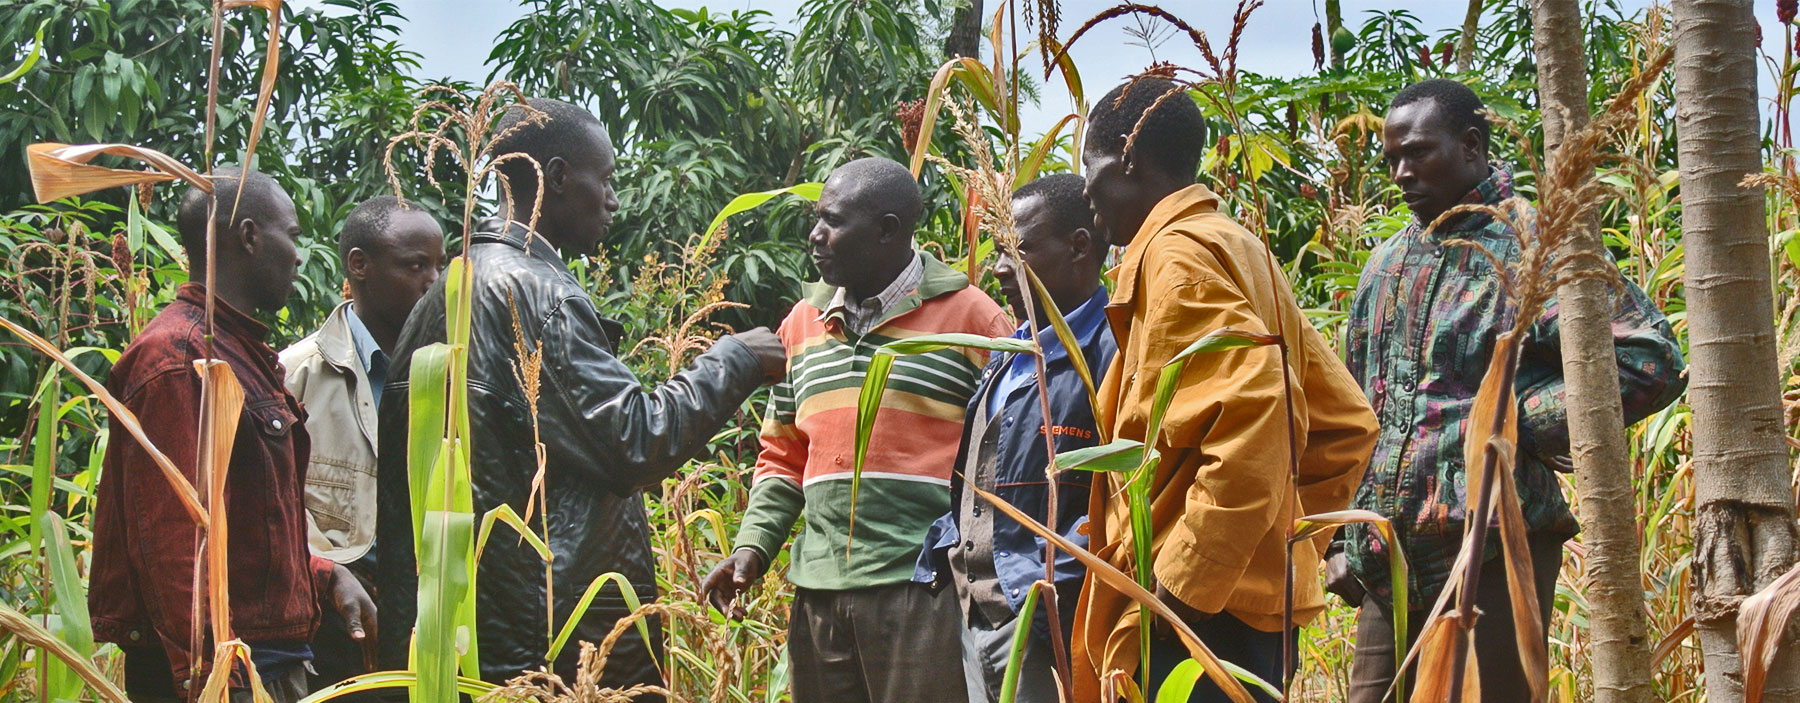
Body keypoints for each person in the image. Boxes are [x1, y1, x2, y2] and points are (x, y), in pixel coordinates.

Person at [371, 98, 787, 695]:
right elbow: (636, 440)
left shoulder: (449, 289)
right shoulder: (535, 293)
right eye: (607, 179)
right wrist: (737, 359)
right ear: (559, 177)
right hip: (548, 647)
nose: (614, 199)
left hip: (460, 646)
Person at [1330, 78, 1686, 702]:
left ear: (1472, 145)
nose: (1401, 172)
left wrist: (1511, 417)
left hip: (1494, 554)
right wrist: (1339, 542)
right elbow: (1355, 410)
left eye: (1417, 152)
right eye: (1391, 159)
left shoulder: (1535, 245)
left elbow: (1648, 359)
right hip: (1385, 568)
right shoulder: (1385, 264)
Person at [1070, 78, 1379, 703]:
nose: (1085, 191)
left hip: (1194, 620)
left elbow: (1258, 413)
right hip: (1240, 607)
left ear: (1128, 160)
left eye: (1091, 168)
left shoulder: (1175, 255)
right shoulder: (1235, 243)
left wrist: (1185, 577)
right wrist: (1275, 545)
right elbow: (1344, 421)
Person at [699, 156, 1012, 703]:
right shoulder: (801, 324)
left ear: (889, 230)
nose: (815, 236)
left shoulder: (972, 320)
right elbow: (783, 457)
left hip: (923, 591)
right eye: (816, 218)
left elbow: (1009, 461)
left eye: (834, 222)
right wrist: (751, 550)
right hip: (818, 596)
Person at [89, 167, 375, 703]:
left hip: (262, 658)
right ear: (248, 236)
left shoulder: (240, 354)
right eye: (291, 235)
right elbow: (177, 548)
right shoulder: (179, 360)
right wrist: (219, 680)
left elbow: (245, 522)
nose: (299, 255)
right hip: (226, 671)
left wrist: (323, 575)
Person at [914, 173, 1116, 703]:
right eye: (997, 250)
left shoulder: (1111, 352)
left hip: (1045, 619)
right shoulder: (1008, 350)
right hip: (978, 615)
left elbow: (1122, 495)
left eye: (1018, 250)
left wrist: (1053, 588)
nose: (1000, 268)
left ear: (1079, 247)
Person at [281, 195, 444, 694]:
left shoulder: (451, 370)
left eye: (440, 266)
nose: (433, 283)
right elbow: (273, 500)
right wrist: (328, 573)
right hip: (331, 624)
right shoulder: (295, 374)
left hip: (429, 622)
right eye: (417, 266)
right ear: (360, 265)